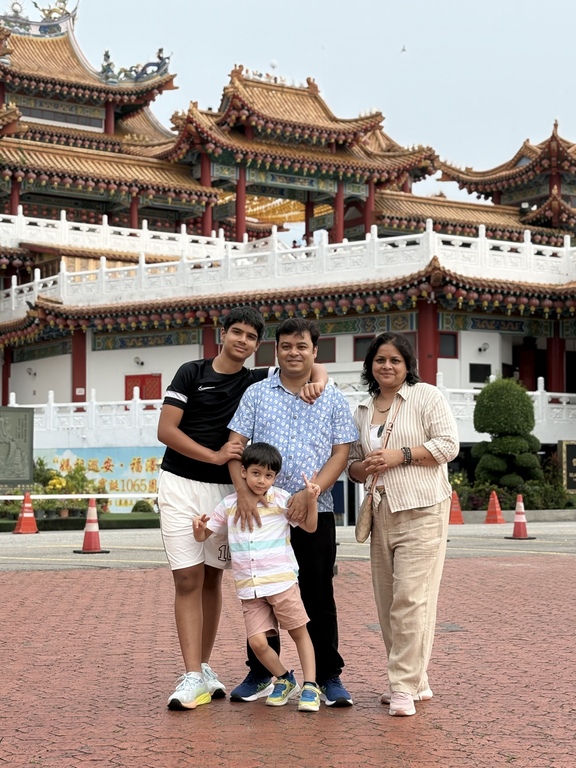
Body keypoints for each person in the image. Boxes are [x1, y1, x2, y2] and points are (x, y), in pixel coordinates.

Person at [157, 306, 327, 711]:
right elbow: (166, 430)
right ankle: (192, 675)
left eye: (251, 337)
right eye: (237, 332)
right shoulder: (191, 372)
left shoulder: (255, 379)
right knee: (187, 578)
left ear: (257, 345)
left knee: (212, 579)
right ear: (223, 333)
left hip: (223, 491)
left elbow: (308, 366)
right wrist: (215, 456)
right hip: (180, 483)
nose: (243, 341)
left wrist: (318, 381)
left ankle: (203, 668)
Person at [227, 318, 358, 708]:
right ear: (276, 350)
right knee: (262, 592)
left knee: (318, 593)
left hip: (314, 508)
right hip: (262, 515)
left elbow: (341, 452)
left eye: (302, 346)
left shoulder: (332, 397)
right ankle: (262, 672)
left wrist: (310, 493)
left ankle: (328, 676)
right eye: (286, 346)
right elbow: (235, 446)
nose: (293, 353)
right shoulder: (256, 394)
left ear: (315, 352)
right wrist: (243, 494)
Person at [347, 332, 459, 717]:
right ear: (370, 366)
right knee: (388, 601)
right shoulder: (362, 409)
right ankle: (416, 681)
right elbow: (353, 466)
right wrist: (364, 467)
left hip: (423, 508)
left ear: (407, 365)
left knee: (411, 598)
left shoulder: (426, 396)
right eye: (380, 360)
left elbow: (448, 445)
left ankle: (401, 685)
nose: (387, 366)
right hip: (381, 511)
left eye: (395, 360)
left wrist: (402, 455)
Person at [193, 442, 322, 713]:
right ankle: (284, 679)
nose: (261, 480)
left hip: (281, 582)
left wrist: (311, 500)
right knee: (257, 642)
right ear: (243, 472)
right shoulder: (229, 505)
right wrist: (198, 529)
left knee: (299, 632)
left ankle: (310, 685)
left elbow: (310, 527)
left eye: (268, 475)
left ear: (275, 477)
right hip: (250, 588)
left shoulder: (281, 500)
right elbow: (204, 535)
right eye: (256, 473)